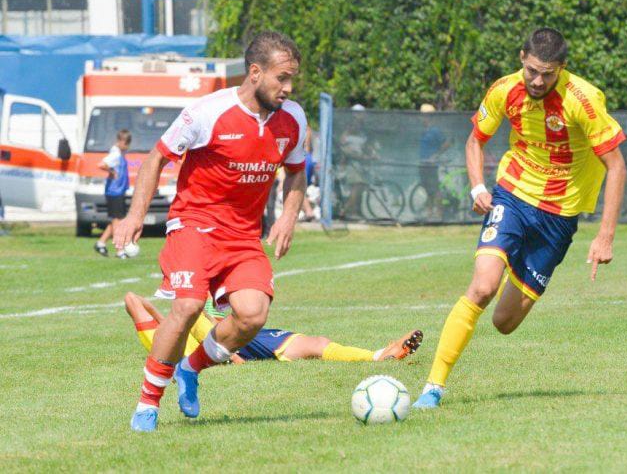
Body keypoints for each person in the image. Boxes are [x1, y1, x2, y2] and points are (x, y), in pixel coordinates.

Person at [413, 28, 627, 409]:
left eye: (547, 73)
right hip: (512, 196)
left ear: (562, 67)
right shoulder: (504, 90)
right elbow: (475, 140)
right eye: (532, 71)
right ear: (522, 58)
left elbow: (617, 166)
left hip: (558, 219)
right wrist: (478, 188)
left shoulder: (583, 99)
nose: (538, 81)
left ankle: (512, 261)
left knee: (504, 322)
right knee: (482, 287)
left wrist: (605, 236)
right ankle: (433, 388)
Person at [114, 31, 310, 432]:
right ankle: (148, 403)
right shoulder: (207, 112)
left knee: (252, 315)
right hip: (194, 225)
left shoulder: (293, 119)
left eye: (292, 79)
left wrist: (288, 216)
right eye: (282, 78)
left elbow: (295, 171)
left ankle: (190, 368)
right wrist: (134, 216)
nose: (288, 88)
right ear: (255, 73)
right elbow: (155, 159)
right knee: (187, 307)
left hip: (243, 235)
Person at [124, 292, 423, 363]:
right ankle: (379, 355)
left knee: (317, 342)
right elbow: (132, 301)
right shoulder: (179, 351)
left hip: (234, 332)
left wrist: (169, 321)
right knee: (315, 345)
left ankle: (379, 354)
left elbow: (137, 301)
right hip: (225, 342)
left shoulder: (179, 326)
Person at [94, 130, 131, 257]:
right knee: (117, 221)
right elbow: (101, 164)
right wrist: (112, 172)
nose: (127, 146)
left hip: (119, 191)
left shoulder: (119, 153)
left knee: (117, 220)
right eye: (126, 143)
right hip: (114, 192)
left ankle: (101, 243)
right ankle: (119, 250)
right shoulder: (115, 154)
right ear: (120, 141)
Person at [418, 103, 451, 220]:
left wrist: (436, 156)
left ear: (429, 116)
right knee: (428, 190)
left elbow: (447, 143)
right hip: (422, 164)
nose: (421, 118)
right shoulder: (424, 130)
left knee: (435, 190)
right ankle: (429, 213)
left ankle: (439, 214)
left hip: (431, 165)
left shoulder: (435, 130)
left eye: (423, 115)